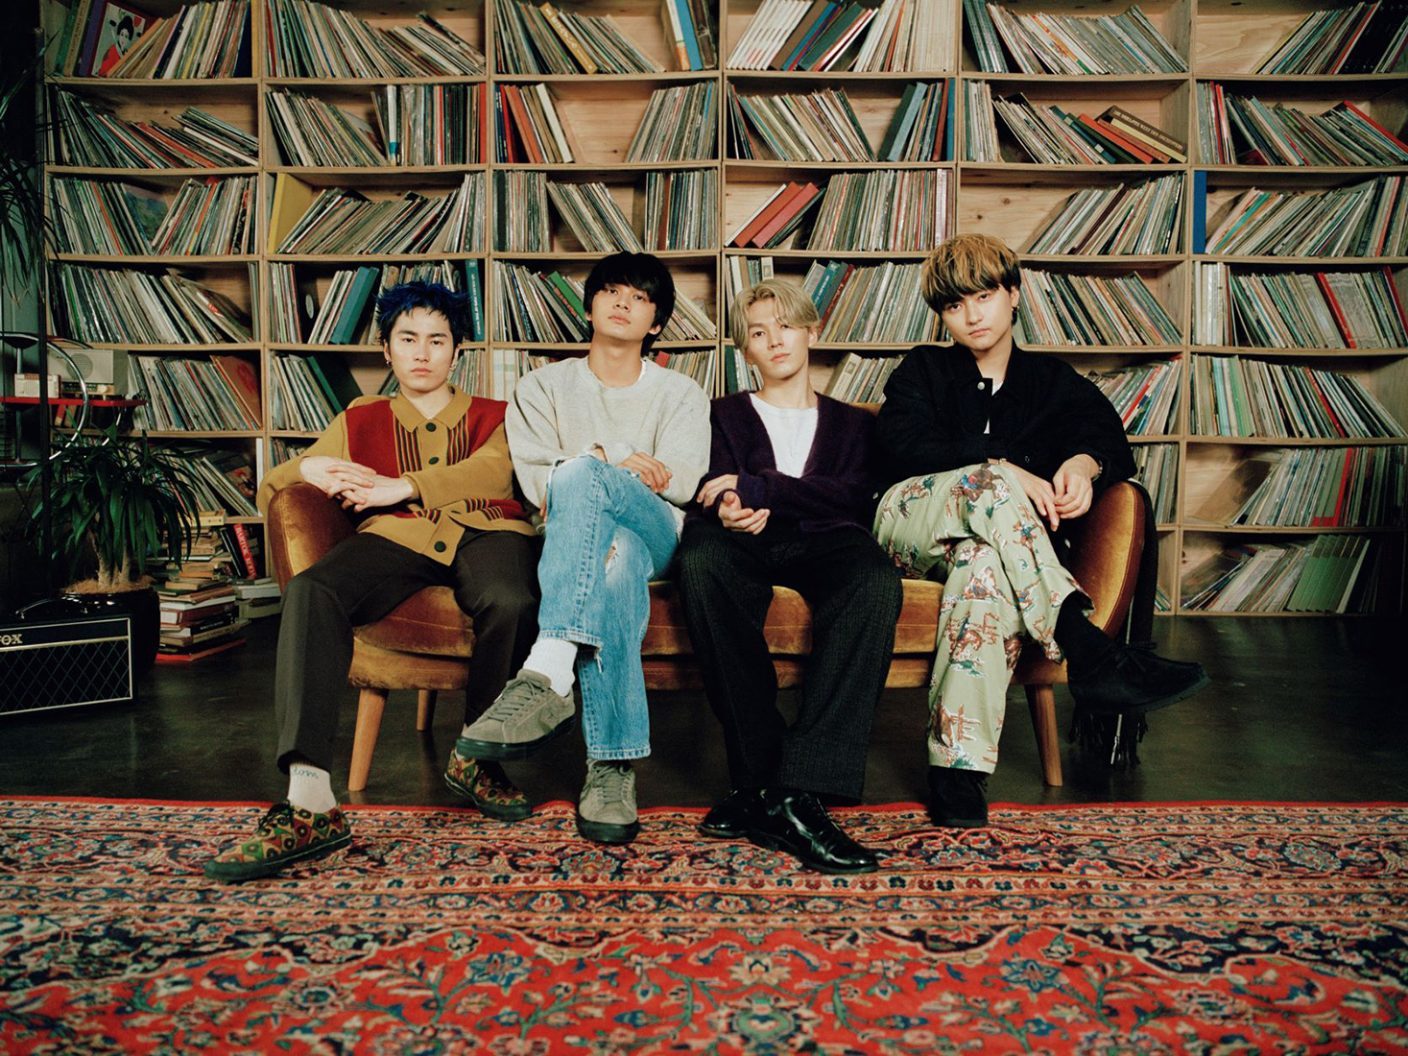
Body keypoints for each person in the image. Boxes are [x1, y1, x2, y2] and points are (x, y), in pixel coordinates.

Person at [205, 282, 541, 882]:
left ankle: (478, 755)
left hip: (488, 531)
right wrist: (308, 465)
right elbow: (277, 483)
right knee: (314, 589)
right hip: (397, 537)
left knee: (510, 598)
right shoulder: (361, 418)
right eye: (407, 339)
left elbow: (493, 474)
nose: (422, 353)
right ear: (386, 350)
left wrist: (405, 486)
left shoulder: (497, 414)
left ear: (457, 351)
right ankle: (309, 796)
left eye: (437, 340)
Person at [872, 234, 1208, 828]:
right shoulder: (921, 370)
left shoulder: (1051, 381)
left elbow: (1106, 438)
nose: (972, 315)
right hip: (908, 524)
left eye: (983, 296)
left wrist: (1082, 464)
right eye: (954, 305)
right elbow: (903, 447)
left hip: (987, 548)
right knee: (991, 484)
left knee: (983, 572)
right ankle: (1087, 648)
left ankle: (957, 776)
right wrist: (1001, 466)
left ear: (1013, 294)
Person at [457, 252, 710, 845]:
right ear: (590, 306)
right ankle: (611, 770)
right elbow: (538, 485)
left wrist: (596, 462)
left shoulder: (681, 392)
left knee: (580, 478)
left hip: (657, 532)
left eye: (640, 297)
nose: (623, 302)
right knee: (612, 561)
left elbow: (679, 482)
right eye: (612, 290)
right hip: (585, 542)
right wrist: (617, 460)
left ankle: (548, 669)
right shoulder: (541, 387)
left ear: (656, 322)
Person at [675, 279, 901, 874]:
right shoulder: (721, 413)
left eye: (786, 325)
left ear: (811, 332)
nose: (775, 339)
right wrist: (730, 504)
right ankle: (759, 776)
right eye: (758, 332)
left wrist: (760, 488)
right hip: (741, 538)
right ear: (744, 350)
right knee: (699, 562)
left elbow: (853, 496)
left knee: (874, 582)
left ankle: (798, 786)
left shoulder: (853, 424)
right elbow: (710, 484)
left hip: (829, 539)